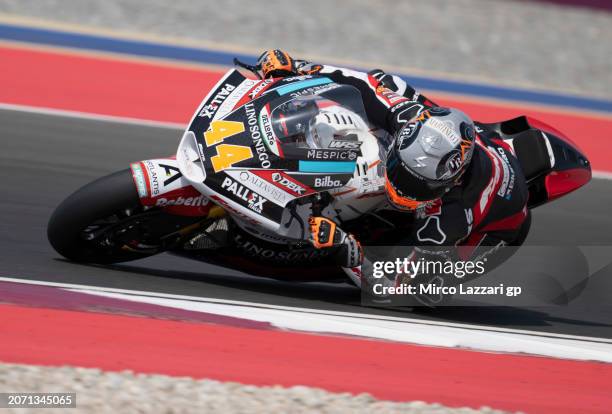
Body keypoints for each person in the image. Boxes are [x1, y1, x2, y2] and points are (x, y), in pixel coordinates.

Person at [254, 50, 531, 304]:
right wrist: (298, 69)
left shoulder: (446, 223)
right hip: (481, 143)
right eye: (399, 168)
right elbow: (362, 83)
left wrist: (349, 254)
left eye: (416, 185)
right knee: (387, 82)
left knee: (426, 294)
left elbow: (394, 292)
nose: (400, 186)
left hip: (497, 228)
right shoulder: (410, 118)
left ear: (449, 184)